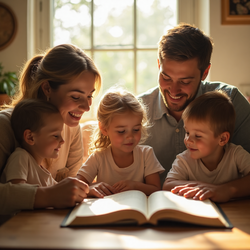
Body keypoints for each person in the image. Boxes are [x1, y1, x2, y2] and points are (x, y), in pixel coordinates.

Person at [138, 23, 250, 191]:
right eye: (166, 77)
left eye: (185, 81)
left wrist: (225, 191)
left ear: (205, 72)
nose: (173, 90)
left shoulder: (231, 102)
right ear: (158, 65)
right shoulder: (137, 111)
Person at [0, 43, 101, 215]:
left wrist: (85, 189)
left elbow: (69, 187)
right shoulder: (5, 126)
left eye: (89, 95)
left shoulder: (71, 128)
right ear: (47, 88)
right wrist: (47, 196)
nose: (86, 107)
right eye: (76, 96)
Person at [163, 91, 250, 202]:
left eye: (198, 136)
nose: (188, 140)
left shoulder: (235, 154)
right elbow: (167, 184)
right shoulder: (184, 160)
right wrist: (202, 187)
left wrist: (226, 190)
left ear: (222, 139)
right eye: (187, 132)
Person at [77, 88, 165, 197]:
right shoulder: (98, 158)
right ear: (104, 128)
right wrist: (91, 189)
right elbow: (77, 186)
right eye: (121, 131)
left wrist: (134, 186)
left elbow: (156, 189)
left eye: (136, 129)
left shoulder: (146, 154)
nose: (130, 137)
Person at [1, 99, 64, 186]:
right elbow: (16, 191)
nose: (62, 141)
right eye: (56, 136)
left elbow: (60, 191)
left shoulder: (42, 171)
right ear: (30, 137)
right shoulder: (20, 157)